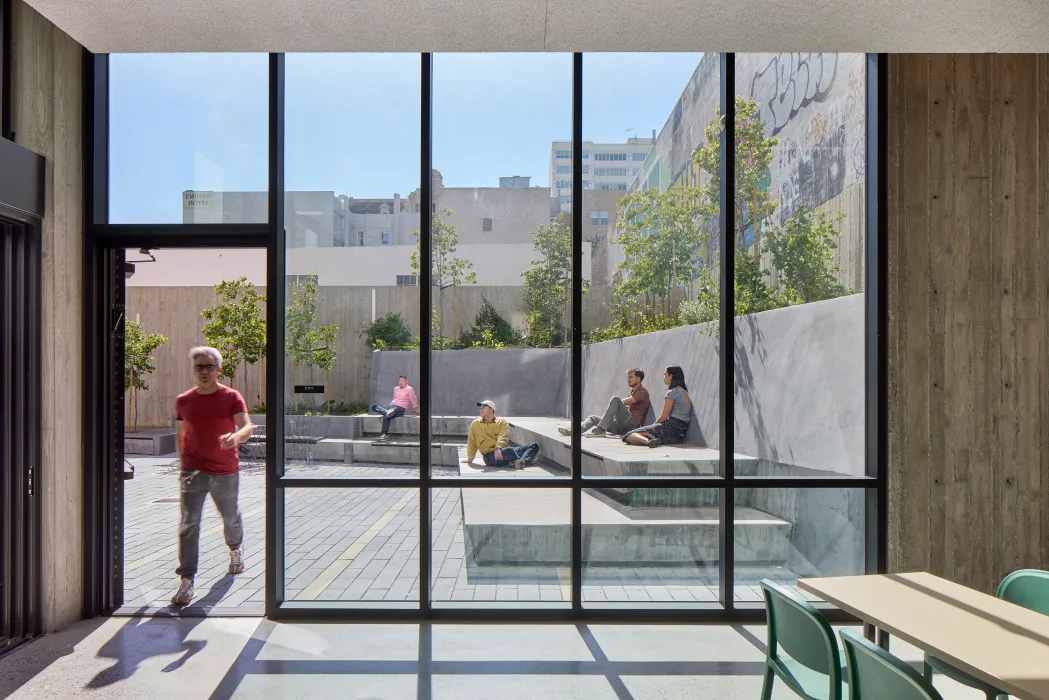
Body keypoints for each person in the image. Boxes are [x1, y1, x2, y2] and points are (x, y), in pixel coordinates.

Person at [170, 346, 254, 607]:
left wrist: (236, 437)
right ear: (193, 370)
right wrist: (182, 465)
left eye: (209, 366)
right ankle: (187, 580)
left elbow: (248, 426)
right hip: (192, 471)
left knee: (230, 516)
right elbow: (181, 434)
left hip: (225, 471)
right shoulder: (184, 400)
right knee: (188, 524)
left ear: (219, 369)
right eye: (199, 367)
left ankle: (235, 549)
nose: (204, 371)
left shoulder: (231, 397)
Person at [558, 368, 650, 437]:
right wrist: (607, 418)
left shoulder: (642, 392)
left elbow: (623, 402)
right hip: (621, 426)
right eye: (628, 377)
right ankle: (574, 432)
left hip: (631, 426)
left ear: (638, 379)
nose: (628, 379)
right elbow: (620, 410)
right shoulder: (632, 392)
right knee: (593, 418)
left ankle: (601, 430)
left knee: (615, 399)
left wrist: (609, 414)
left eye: (631, 377)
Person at [622, 365, 692, 449]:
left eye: (665, 375)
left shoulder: (671, 392)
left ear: (671, 376)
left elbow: (664, 417)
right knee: (644, 433)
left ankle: (649, 442)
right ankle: (651, 438)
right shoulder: (685, 393)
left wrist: (653, 426)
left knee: (629, 435)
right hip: (679, 435)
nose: (663, 378)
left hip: (669, 427)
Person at [463, 400, 539, 469]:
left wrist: (497, 449)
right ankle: (526, 459)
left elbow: (502, 437)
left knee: (533, 446)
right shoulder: (475, 424)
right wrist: (470, 459)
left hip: (501, 451)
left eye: (484, 407)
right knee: (509, 451)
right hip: (489, 456)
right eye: (480, 408)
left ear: (491, 409)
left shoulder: (502, 422)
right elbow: (471, 442)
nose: (481, 409)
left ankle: (521, 461)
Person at [369, 374, 419, 442]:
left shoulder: (409, 389)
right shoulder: (396, 388)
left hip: (400, 409)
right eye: (399, 381)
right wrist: (390, 406)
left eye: (402, 380)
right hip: (392, 407)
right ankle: (388, 411)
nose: (400, 382)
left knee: (388, 413)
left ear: (406, 381)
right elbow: (394, 399)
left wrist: (417, 411)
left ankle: (384, 434)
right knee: (374, 406)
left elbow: (413, 400)